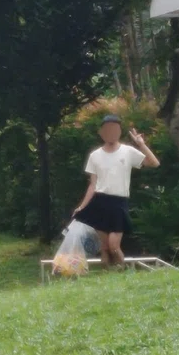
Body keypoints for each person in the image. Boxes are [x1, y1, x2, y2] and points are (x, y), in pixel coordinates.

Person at [72, 115, 160, 269]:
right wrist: (82, 206)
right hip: (99, 202)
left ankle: (123, 271)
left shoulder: (128, 151)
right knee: (104, 249)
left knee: (114, 246)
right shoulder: (95, 155)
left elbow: (154, 163)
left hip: (118, 203)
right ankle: (108, 278)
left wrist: (141, 144)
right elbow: (92, 185)